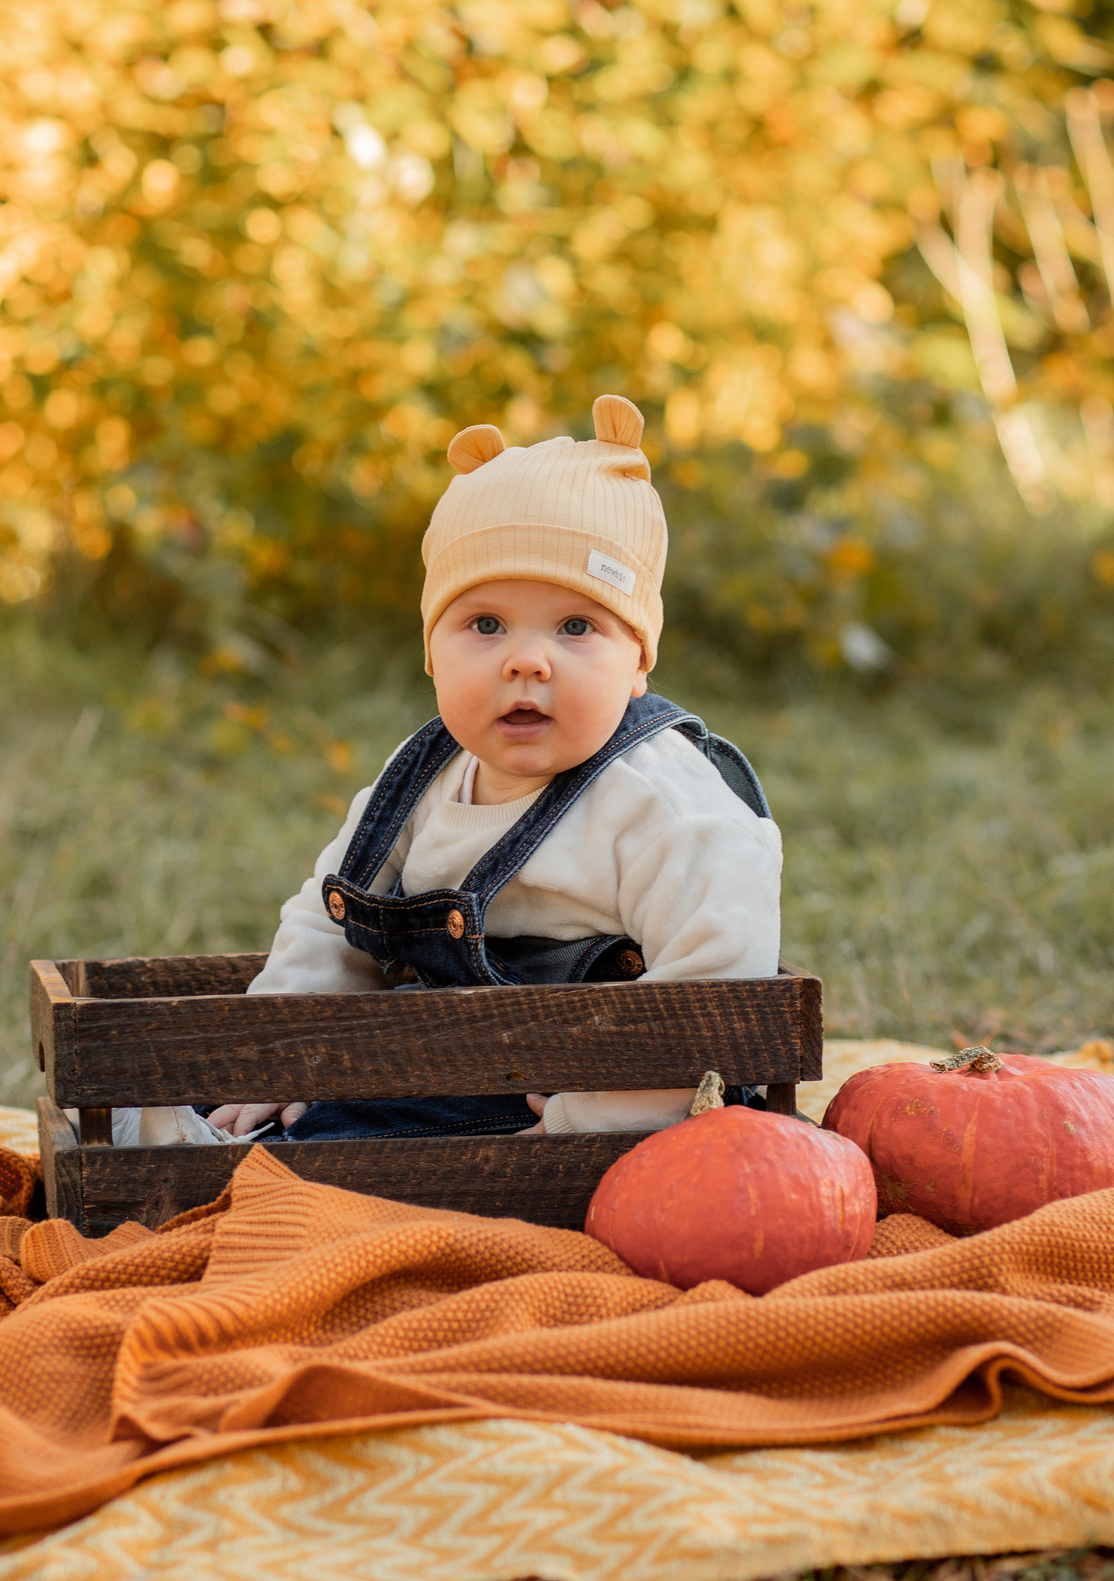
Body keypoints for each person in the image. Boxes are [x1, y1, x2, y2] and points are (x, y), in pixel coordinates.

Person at [151, 393, 783, 1144]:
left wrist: (595, 1120)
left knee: (352, 1133)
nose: (526, 659)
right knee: (260, 1095)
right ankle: (202, 1138)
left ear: (636, 661)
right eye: (485, 624)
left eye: (576, 626)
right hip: (442, 1062)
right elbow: (328, 926)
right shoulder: (419, 779)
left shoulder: (665, 804)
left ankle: (253, 1162)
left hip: (600, 1100)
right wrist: (284, 1054)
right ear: (432, 652)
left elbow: (717, 983)